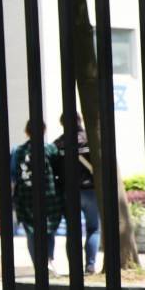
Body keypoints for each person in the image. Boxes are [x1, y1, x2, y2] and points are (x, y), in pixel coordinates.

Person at [10, 119, 64, 274]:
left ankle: (38, 265)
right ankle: (48, 258)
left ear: (26, 131)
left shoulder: (18, 151)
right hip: (49, 197)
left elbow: (13, 175)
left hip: (26, 198)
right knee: (49, 229)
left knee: (31, 231)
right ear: (44, 131)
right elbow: (59, 171)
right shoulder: (50, 149)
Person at [54, 115, 98, 274]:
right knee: (93, 228)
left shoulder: (58, 144)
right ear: (80, 121)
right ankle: (90, 265)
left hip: (69, 192)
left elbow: (54, 171)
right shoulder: (91, 139)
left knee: (72, 231)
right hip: (91, 190)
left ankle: (75, 267)